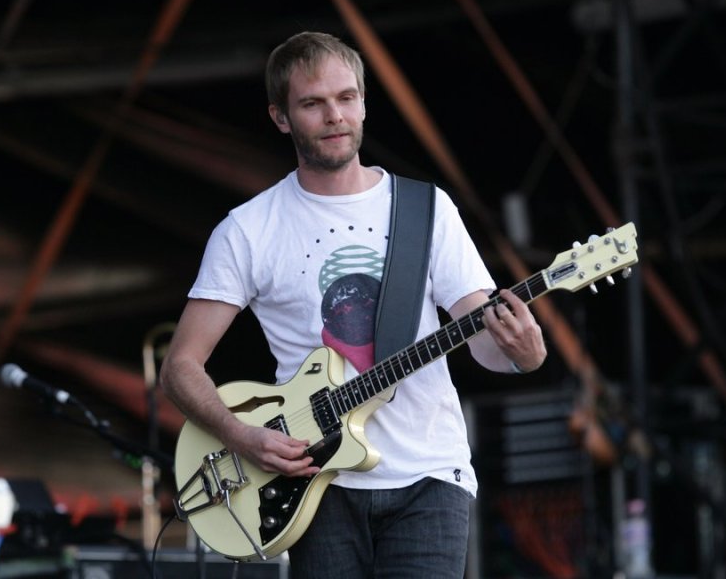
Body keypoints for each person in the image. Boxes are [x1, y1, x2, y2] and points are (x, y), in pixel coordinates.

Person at [159, 31, 546, 578]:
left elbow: (480, 338)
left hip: (430, 473)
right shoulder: (248, 229)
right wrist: (240, 435)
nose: (334, 115)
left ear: (364, 102)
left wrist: (523, 354)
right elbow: (180, 367)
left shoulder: (427, 210)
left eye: (346, 98)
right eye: (313, 103)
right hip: (317, 484)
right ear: (281, 118)